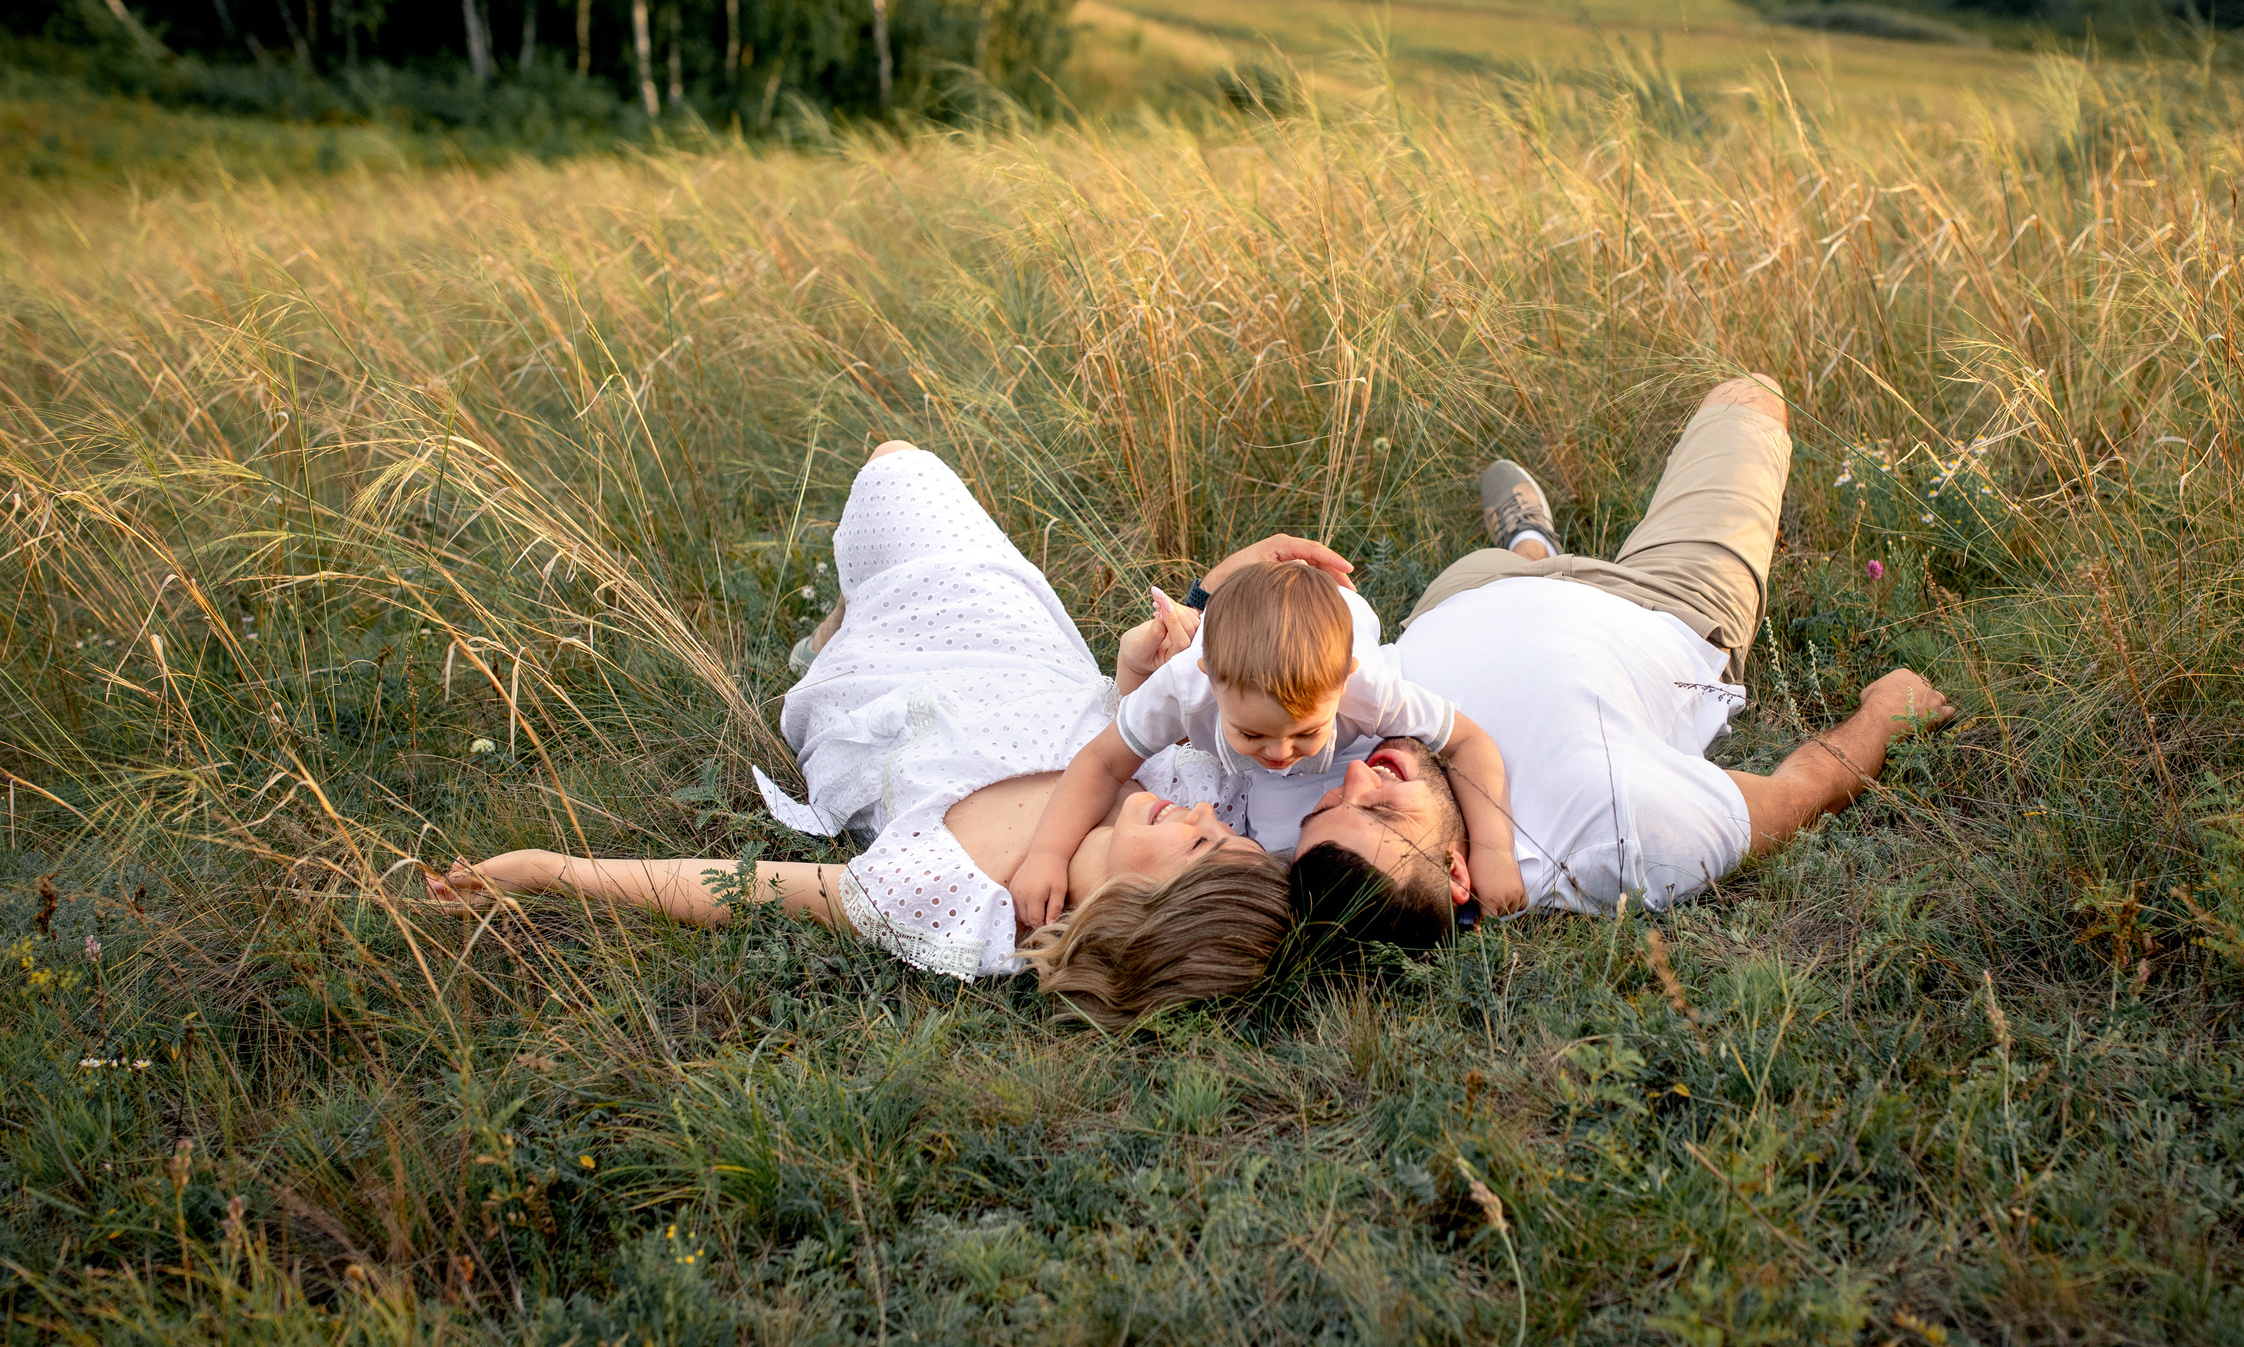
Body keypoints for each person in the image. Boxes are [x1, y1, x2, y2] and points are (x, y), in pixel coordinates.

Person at [428, 442, 1340, 1027]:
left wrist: (550, 869)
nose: (1205, 819)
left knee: (892, 477)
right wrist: (1179, 625)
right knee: (900, 464)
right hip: (1010, 645)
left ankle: (840, 630)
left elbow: (747, 888)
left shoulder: (957, 907)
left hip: (897, 683)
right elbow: (1165, 697)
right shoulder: (1183, 796)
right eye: (1219, 830)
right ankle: (854, 601)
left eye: (1201, 847)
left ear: (1141, 923)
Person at [1281, 375, 1955, 946]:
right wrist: (1889, 713)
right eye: (1381, 812)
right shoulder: (1611, 834)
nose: (1358, 780)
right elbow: (1794, 798)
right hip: (1664, 602)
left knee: (1511, 565)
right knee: (1749, 398)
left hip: (1466, 590)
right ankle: (1533, 547)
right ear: (1459, 874)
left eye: (1330, 806)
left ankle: (1532, 546)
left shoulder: (1306, 773)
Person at [1002, 558, 1524, 927]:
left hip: (1341, 610)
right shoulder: (1185, 685)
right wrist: (1047, 853)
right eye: (1251, 734)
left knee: (1348, 613)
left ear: (1343, 682)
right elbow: (1101, 762)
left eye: (1305, 732)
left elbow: (1470, 743)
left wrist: (1496, 850)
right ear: (1211, 678)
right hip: (1236, 630)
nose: (1278, 754)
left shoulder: (1368, 689)